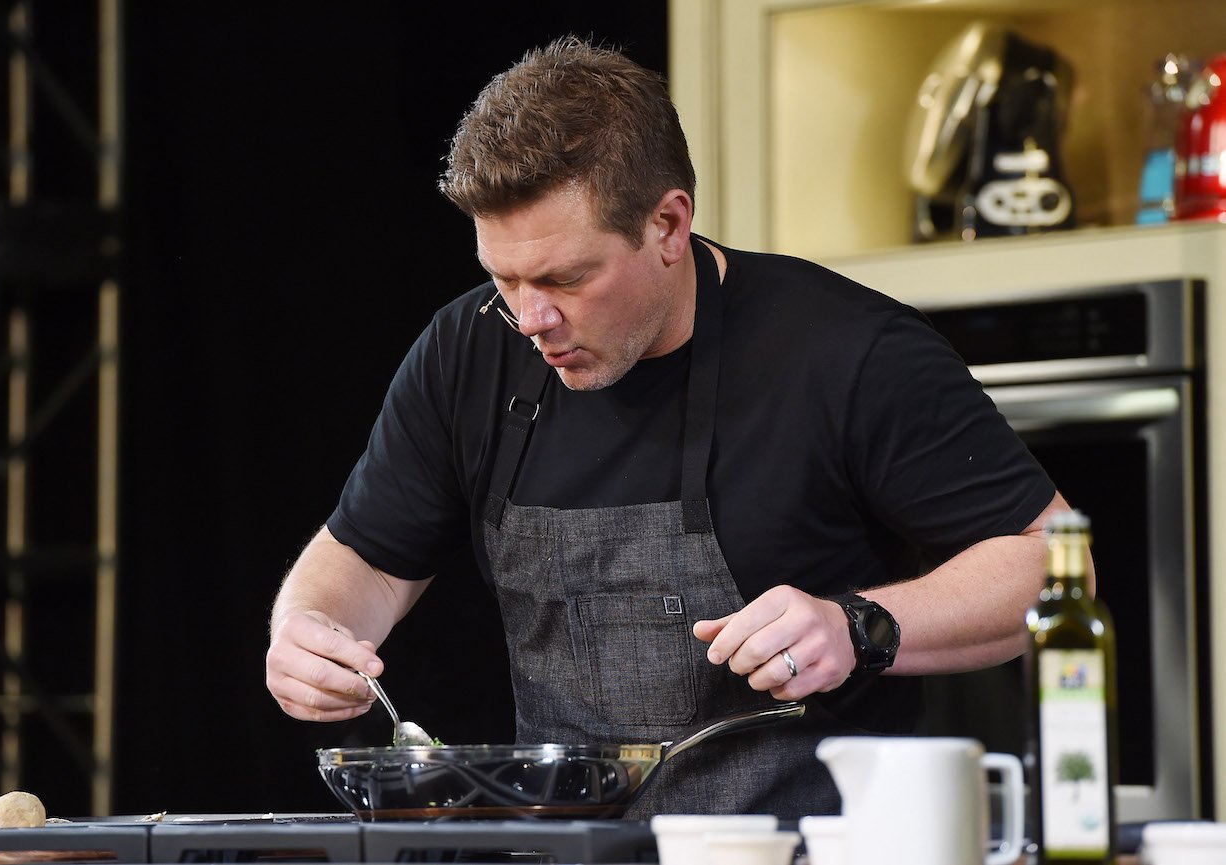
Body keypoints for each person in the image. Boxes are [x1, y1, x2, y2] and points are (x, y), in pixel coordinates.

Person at [265, 35, 1073, 820]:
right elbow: (364, 560)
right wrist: (308, 628)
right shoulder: (467, 349)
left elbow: (1052, 560)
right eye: (503, 278)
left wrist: (860, 624)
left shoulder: (847, 353)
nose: (530, 317)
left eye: (566, 277)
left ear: (669, 224)